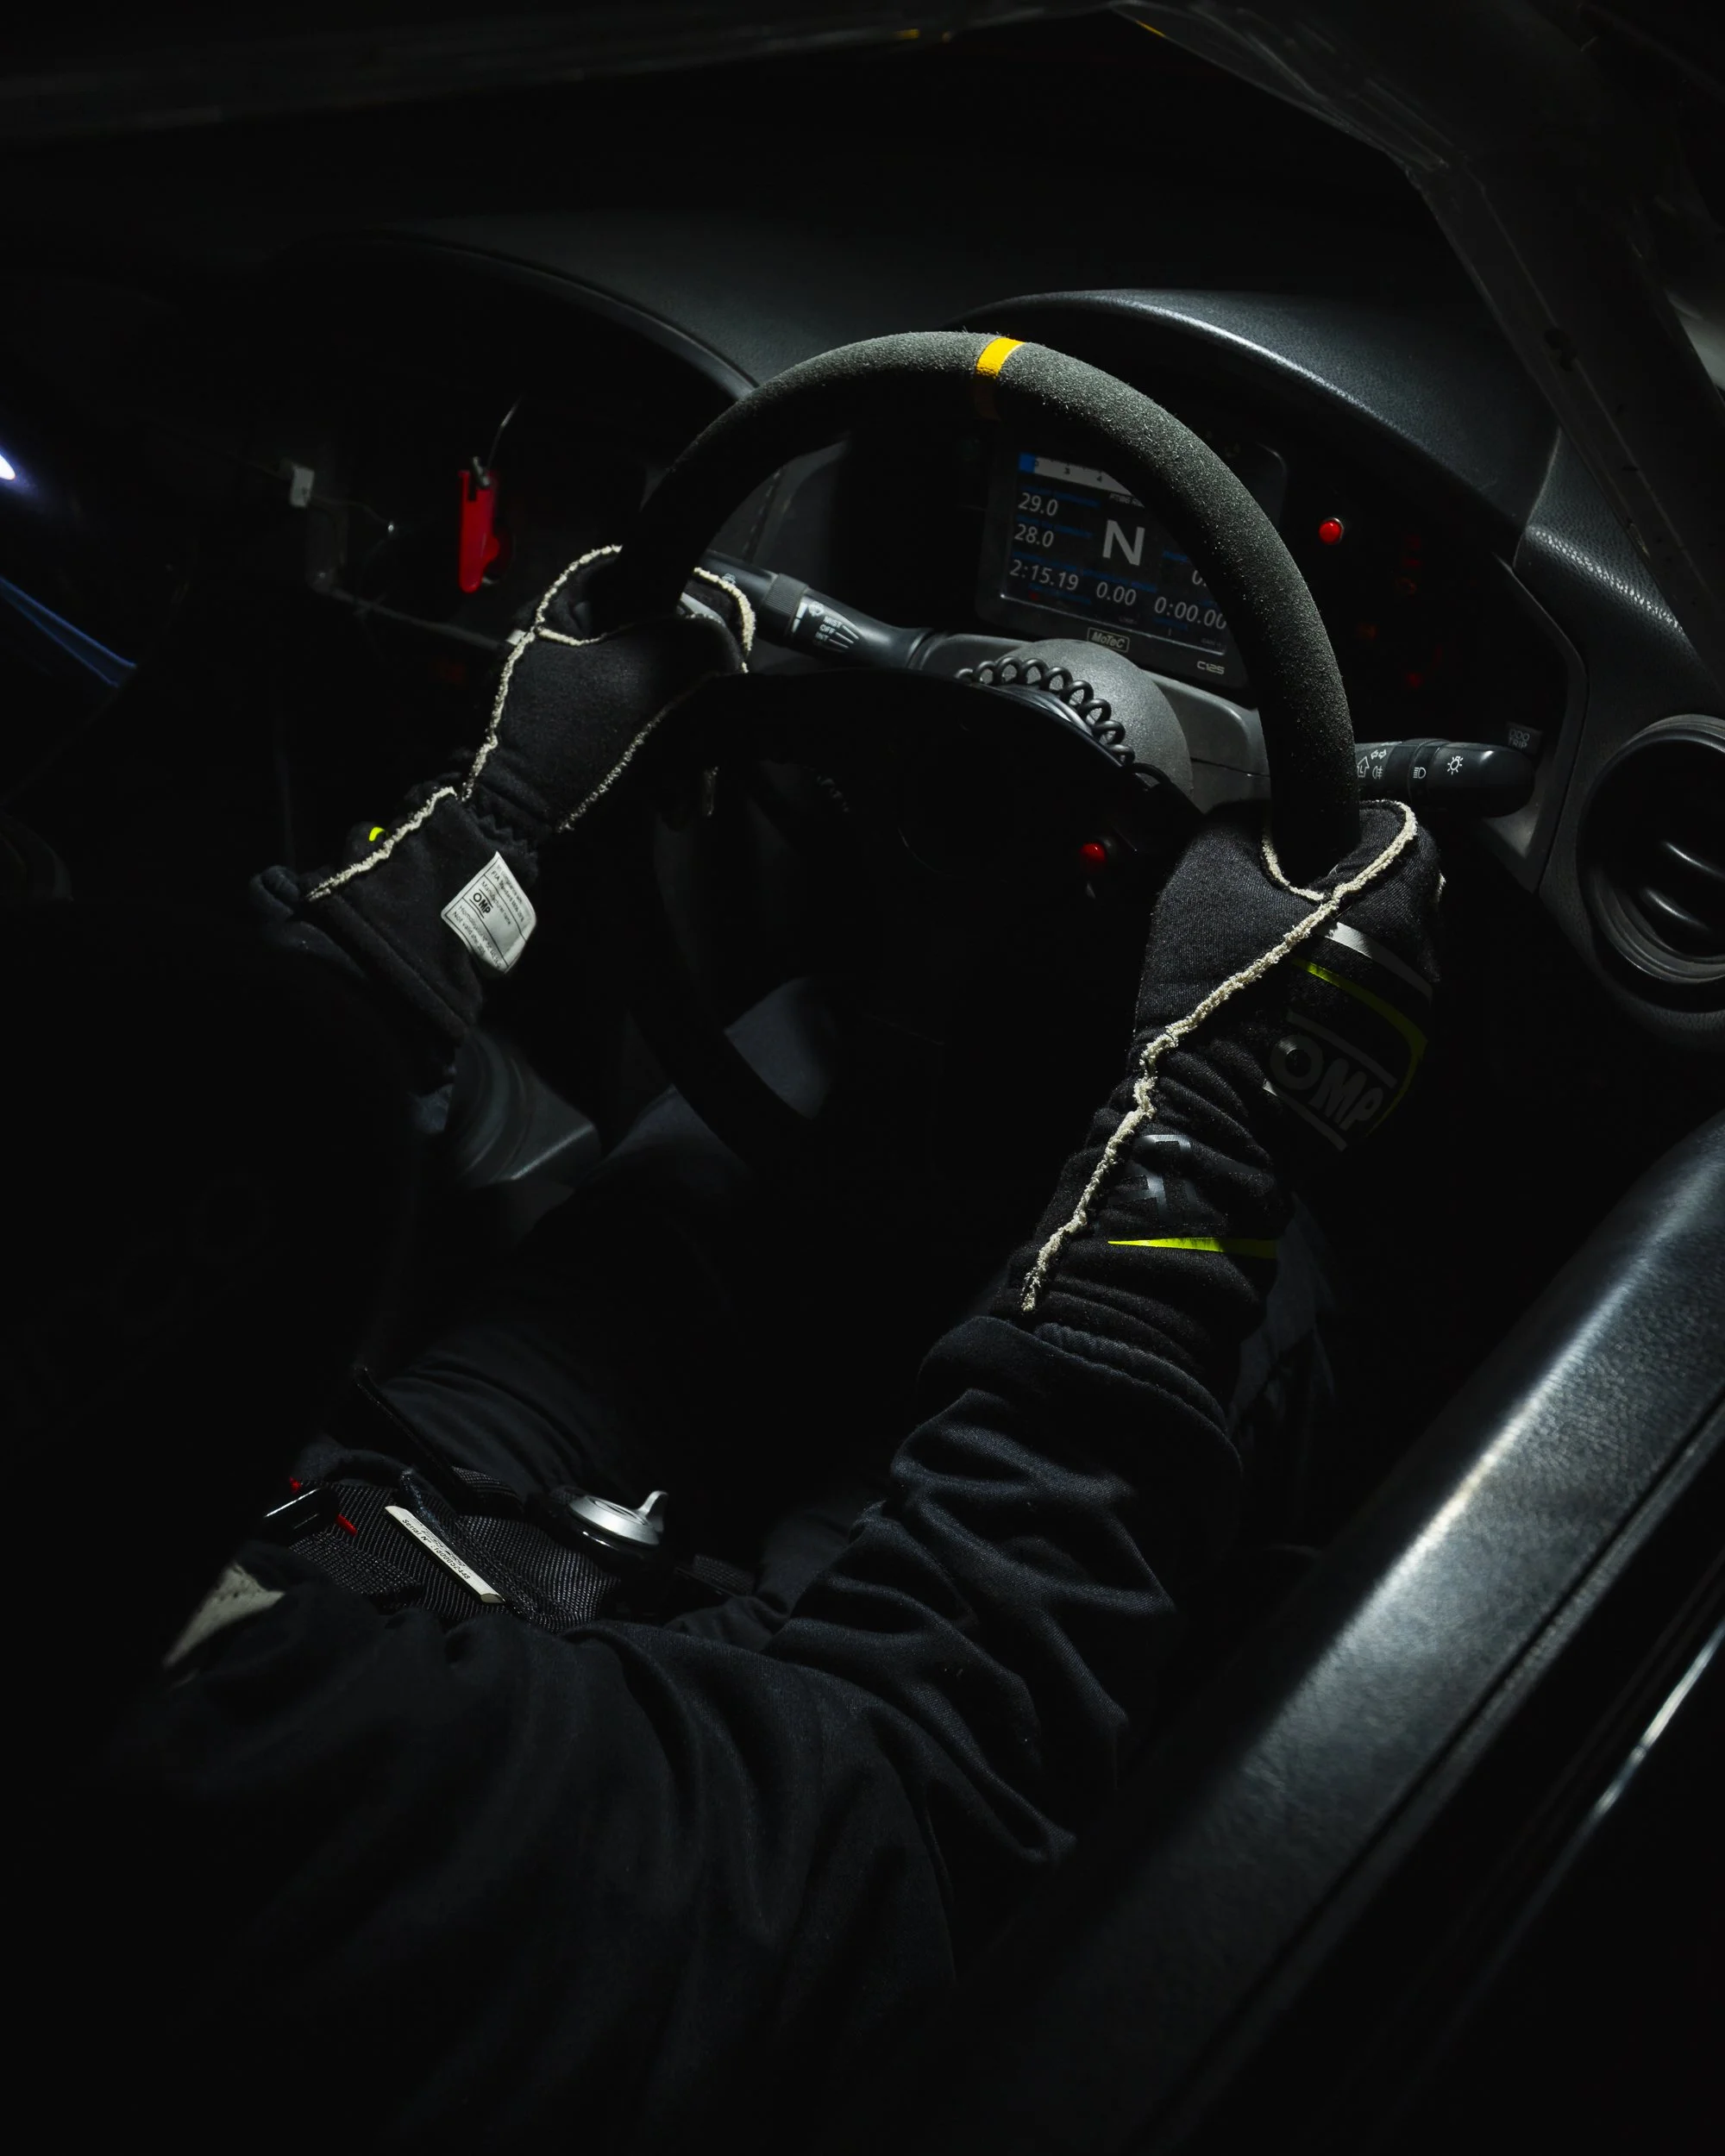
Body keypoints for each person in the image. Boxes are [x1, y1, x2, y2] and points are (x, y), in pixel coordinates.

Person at [82, 556, 1440, 2153]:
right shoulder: (191, 1834)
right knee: (1267, 1294)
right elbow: (904, 1805)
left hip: (281, 1538)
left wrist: (491, 822)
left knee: (789, 1067)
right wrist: (1200, 1137)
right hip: (479, 1815)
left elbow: (134, 1227)